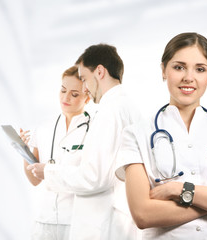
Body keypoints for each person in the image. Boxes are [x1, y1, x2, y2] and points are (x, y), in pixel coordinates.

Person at [115, 32, 207, 239]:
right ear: (163, 70)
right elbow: (143, 215)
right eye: (179, 67)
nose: (189, 77)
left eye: (200, 69)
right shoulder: (136, 134)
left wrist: (179, 190)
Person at [27, 44, 142, 239]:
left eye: (84, 79)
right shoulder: (126, 106)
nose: (85, 87)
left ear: (99, 71)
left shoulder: (109, 111)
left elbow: (93, 177)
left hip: (104, 223)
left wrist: (48, 171)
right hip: (117, 220)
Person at [20, 65, 91, 240]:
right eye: (63, 90)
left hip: (76, 222)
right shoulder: (43, 127)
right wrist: (23, 150)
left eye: (74, 94)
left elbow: (91, 178)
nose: (65, 98)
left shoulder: (94, 130)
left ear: (87, 97)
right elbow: (34, 179)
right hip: (44, 221)